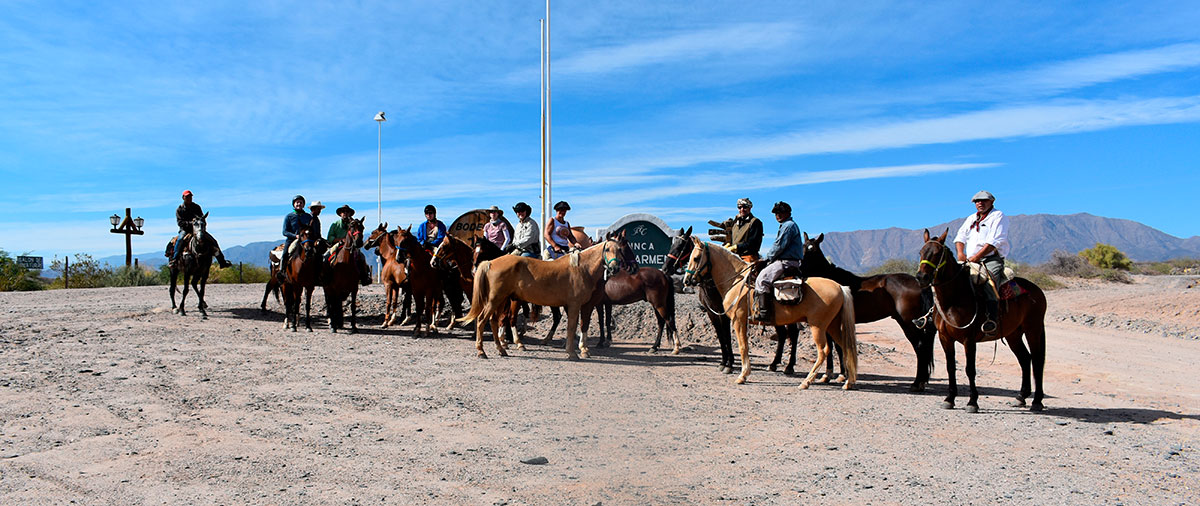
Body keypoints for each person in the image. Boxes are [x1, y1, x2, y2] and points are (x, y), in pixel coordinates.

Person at [952, 190, 1010, 336]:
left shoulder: (998, 216)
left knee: (990, 281)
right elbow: (960, 237)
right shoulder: (971, 218)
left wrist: (977, 257)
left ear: (992, 202)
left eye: (984, 200)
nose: (980, 203)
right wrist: (960, 253)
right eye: (977, 201)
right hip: (970, 259)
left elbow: (994, 241)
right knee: (949, 280)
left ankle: (992, 319)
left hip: (990, 259)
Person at [753, 201, 803, 323]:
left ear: (788, 213)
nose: (778, 215)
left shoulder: (788, 226)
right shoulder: (788, 225)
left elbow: (779, 246)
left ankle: (764, 313)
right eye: (776, 213)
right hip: (788, 260)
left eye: (780, 213)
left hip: (786, 261)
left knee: (761, 280)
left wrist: (767, 258)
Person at [170, 190, 232, 268]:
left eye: (190, 196)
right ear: (183, 198)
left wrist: (199, 224)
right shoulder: (179, 209)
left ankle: (222, 261)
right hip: (186, 230)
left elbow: (202, 218)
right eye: (187, 197)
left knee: (213, 241)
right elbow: (180, 223)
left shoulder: (196, 207)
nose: (189, 198)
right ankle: (174, 260)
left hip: (198, 230)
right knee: (180, 239)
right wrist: (191, 223)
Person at [325, 204, 372, 286]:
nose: (345, 213)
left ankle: (364, 277)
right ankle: (325, 276)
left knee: (361, 256)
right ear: (340, 214)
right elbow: (330, 237)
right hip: (337, 245)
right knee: (326, 257)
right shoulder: (334, 225)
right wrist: (340, 240)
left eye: (347, 212)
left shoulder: (354, 224)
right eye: (343, 212)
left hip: (352, 246)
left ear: (350, 214)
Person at [279, 194, 313, 276]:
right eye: (297, 202)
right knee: (285, 254)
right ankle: (282, 272)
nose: (299, 204)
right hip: (292, 240)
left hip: (306, 239)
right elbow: (285, 232)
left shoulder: (308, 217)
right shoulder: (289, 216)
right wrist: (295, 236)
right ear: (294, 204)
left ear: (303, 205)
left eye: (301, 202)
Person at [726, 197, 764, 262]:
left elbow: (752, 243)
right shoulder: (735, 224)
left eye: (745, 207)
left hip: (748, 257)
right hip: (735, 256)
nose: (742, 209)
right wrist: (728, 245)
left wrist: (736, 247)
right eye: (739, 207)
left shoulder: (755, 222)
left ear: (750, 208)